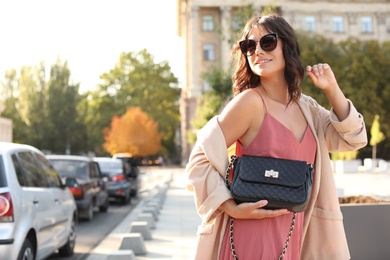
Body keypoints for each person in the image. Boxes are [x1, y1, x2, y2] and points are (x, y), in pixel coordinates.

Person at [185, 14, 367, 260]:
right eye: (249, 46)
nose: (257, 51)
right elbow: (199, 158)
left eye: (267, 42)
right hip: (250, 235)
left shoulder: (308, 108)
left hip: (294, 236)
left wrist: (332, 89)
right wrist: (230, 207)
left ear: (287, 46)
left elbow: (354, 139)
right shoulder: (249, 102)